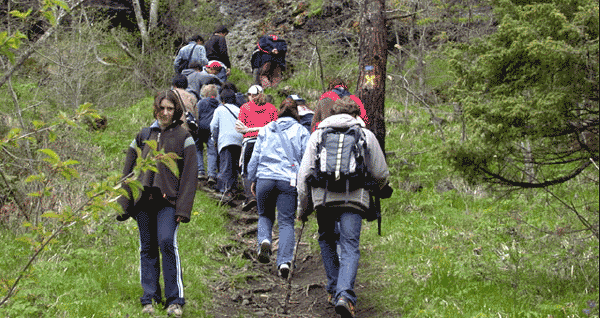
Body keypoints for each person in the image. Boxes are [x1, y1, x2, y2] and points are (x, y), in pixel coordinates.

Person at [296, 96, 389, 318]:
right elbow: (380, 173)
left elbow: (304, 175)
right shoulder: (365, 135)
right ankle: (345, 296)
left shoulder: (318, 135)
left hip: (324, 198)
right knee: (349, 245)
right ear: (356, 114)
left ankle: (333, 288)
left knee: (327, 238)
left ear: (332, 113)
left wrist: (303, 208)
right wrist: (379, 187)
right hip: (354, 198)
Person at [116, 90, 198, 317]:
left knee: (166, 243)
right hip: (143, 203)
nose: (165, 112)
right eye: (161, 108)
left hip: (168, 204)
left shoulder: (184, 138)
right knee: (147, 248)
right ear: (156, 108)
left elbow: (190, 177)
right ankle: (149, 298)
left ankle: (175, 300)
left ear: (176, 111)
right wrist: (123, 203)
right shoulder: (143, 135)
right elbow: (127, 172)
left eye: (169, 108)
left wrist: (183, 208)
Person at [246, 98, 310, 278]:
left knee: (265, 215)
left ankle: (264, 240)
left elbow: (255, 156)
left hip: (265, 178)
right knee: (286, 222)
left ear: (279, 111)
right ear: (296, 113)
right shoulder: (301, 131)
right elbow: (306, 160)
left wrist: (252, 179)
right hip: (288, 180)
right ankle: (284, 262)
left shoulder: (267, 129)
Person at [235, 85, 278, 211]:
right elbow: (274, 127)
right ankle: (263, 199)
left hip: (250, 141)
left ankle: (250, 196)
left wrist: (250, 129)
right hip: (266, 142)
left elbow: (241, 128)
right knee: (264, 170)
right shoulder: (271, 108)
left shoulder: (245, 108)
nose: (251, 97)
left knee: (246, 170)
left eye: (251, 95)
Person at [210, 89, 243, 201]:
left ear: (222, 100)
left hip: (226, 140)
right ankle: (233, 189)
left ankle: (224, 191)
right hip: (239, 140)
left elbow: (213, 126)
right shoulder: (239, 110)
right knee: (234, 166)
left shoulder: (220, 109)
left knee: (225, 164)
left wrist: (215, 139)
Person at [196, 84, 220, 184]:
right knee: (212, 151)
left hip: (200, 128)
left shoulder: (201, 102)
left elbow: (196, 114)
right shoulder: (218, 104)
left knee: (198, 148)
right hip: (211, 130)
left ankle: (200, 170)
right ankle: (211, 175)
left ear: (204, 93)